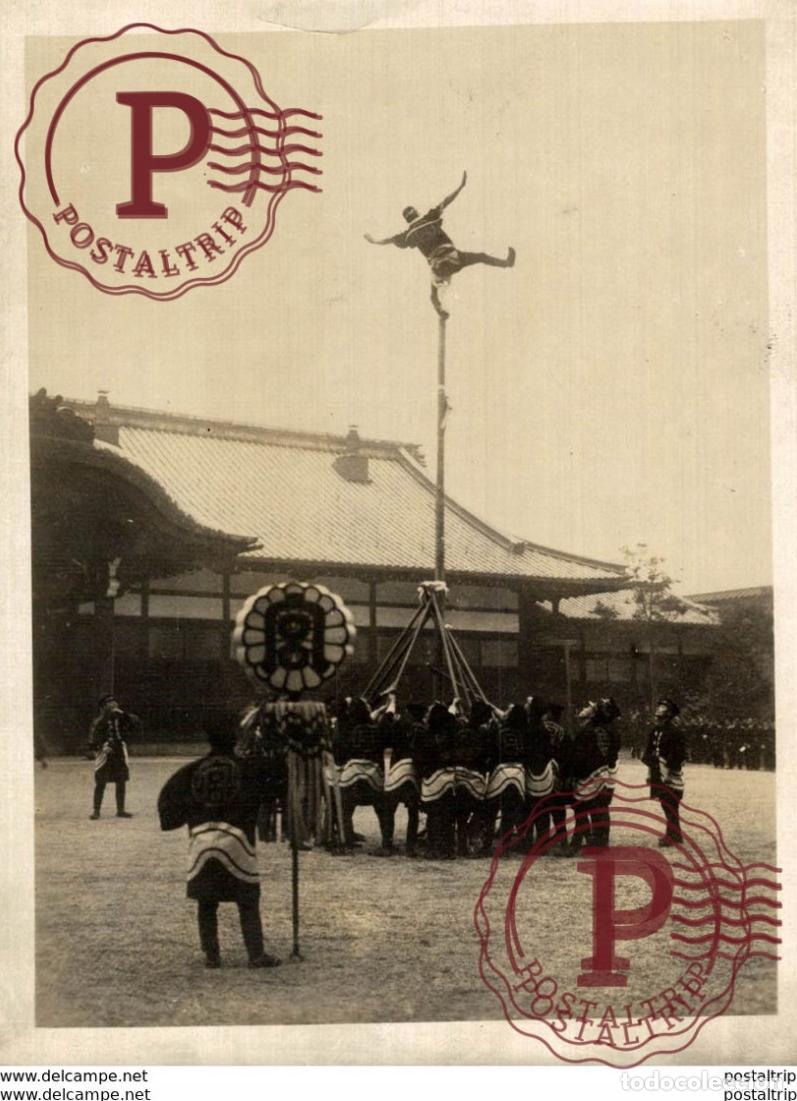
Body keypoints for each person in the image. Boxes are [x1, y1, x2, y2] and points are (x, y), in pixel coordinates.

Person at [157, 716, 281, 970]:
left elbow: (168, 807)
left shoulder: (192, 770)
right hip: (238, 841)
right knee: (247, 899)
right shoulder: (249, 768)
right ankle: (255, 954)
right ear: (234, 739)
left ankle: (212, 955)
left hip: (202, 841)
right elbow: (278, 781)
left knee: (207, 900)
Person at [364, 172, 515, 318]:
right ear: (417, 213)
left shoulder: (408, 235)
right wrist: (460, 187)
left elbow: (389, 240)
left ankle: (438, 307)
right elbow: (447, 201)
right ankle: (506, 263)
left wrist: (374, 241)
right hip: (454, 258)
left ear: (407, 220)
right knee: (481, 256)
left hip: (439, 268)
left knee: (434, 291)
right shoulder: (429, 218)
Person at [569, 697, 621, 852]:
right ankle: (600, 841)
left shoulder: (589, 730)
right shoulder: (611, 729)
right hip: (607, 773)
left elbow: (580, 756)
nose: (587, 707)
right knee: (601, 807)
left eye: (591, 707)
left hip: (591, 773)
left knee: (584, 807)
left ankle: (584, 842)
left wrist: (574, 773)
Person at [87, 694, 140, 819]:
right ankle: (96, 811)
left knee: (121, 781)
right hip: (105, 754)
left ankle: (121, 810)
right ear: (103, 707)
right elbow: (92, 741)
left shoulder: (120, 717)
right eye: (110, 703)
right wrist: (101, 747)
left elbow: (136, 722)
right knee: (100, 782)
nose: (114, 705)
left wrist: (124, 714)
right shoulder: (98, 721)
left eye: (114, 702)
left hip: (119, 752)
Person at [642, 697, 686, 847]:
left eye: (660, 716)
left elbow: (679, 754)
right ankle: (674, 834)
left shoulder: (676, 732)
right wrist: (651, 761)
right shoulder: (655, 731)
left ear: (668, 716)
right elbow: (649, 749)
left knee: (671, 802)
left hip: (670, 773)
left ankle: (673, 835)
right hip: (656, 771)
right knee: (665, 802)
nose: (657, 719)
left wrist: (666, 764)